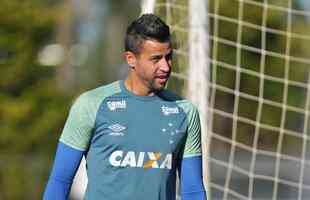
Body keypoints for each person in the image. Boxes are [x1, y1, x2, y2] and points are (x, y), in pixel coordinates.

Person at [43, 13, 207, 200]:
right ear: (130, 59)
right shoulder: (91, 105)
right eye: (156, 59)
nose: (166, 67)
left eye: (168, 57)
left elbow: (193, 190)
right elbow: (60, 181)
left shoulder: (185, 112)